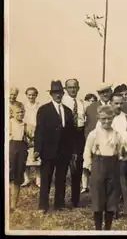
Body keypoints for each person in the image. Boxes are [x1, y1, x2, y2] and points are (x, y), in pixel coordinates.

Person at [34, 80, 76, 213]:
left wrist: (72, 151)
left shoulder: (68, 111)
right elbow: (39, 131)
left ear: (63, 93)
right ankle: (43, 205)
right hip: (48, 151)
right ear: (51, 94)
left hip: (64, 152)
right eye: (55, 93)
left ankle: (59, 204)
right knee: (46, 179)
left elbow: (71, 134)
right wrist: (37, 149)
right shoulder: (44, 110)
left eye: (60, 93)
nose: (58, 95)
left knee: (61, 178)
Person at [83, 105, 123, 230]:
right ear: (99, 118)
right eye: (104, 119)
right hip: (98, 165)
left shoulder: (116, 134)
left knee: (112, 198)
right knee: (98, 197)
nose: (106, 121)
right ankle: (98, 228)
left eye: (109, 119)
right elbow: (87, 151)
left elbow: (120, 151)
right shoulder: (94, 134)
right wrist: (88, 167)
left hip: (113, 165)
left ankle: (108, 229)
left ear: (113, 118)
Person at [83, 83, 113, 193]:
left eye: (107, 91)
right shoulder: (91, 108)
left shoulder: (114, 105)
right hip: (97, 146)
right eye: (102, 92)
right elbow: (89, 127)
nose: (105, 94)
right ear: (99, 94)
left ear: (111, 92)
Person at [62, 79, 87, 207]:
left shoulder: (81, 103)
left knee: (77, 168)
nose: (72, 90)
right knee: (63, 168)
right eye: (70, 87)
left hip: (79, 135)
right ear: (65, 88)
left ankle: (75, 199)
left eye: (75, 87)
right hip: (66, 135)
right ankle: (59, 200)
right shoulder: (62, 102)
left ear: (78, 88)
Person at [9, 102, 33, 212]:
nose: (20, 114)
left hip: (21, 152)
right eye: (17, 112)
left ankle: (13, 205)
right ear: (12, 113)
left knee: (17, 178)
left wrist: (29, 144)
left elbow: (34, 137)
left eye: (22, 112)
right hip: (10, 150)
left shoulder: (25, 125)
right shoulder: (9, 123)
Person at [22, 87, 41, 188]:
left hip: (37, 131)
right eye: (29, 94)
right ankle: (26, 179)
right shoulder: (23, 106)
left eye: (33, 94)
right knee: (26, 156)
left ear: (36, 95)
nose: (31, 96)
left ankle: (38, 180)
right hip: (25, 131)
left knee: (37, 156)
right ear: (26, 95)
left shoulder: (39, 106)